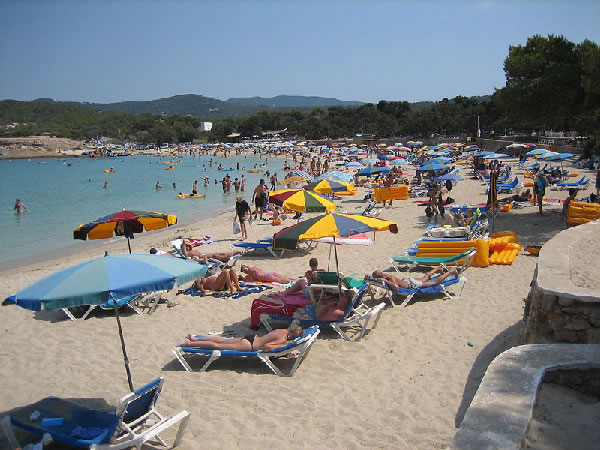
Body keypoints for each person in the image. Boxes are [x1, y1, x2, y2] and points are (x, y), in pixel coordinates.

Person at [176, 324, 303, 352]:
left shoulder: (282, 330)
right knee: (217, 346)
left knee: (222, 340)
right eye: (294, 335)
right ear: (293, 333)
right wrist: (284, 344)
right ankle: (188, 344)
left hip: (252, 337)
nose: (292, 337)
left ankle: (194, 338)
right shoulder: (283, 339)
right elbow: (266, 347)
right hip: (250, 345)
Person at [369, 265, 458, 290]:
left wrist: (386, 281)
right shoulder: (383, 275)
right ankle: (438, 268)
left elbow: (396, 287)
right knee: (425, 277)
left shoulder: (389, 278)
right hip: (407, 280)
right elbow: (373, 278)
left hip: (411, 284)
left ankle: (450, 272)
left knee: (435, 282)